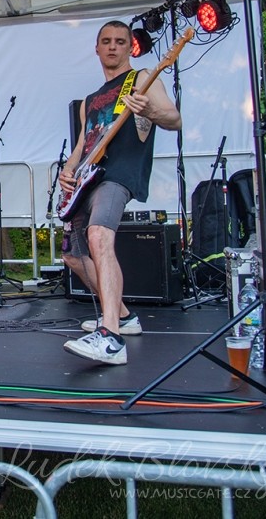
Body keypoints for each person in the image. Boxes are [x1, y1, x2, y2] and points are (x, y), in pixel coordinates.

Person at [59, 20, 181, 365]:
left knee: (99, 235)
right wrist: (68, 171)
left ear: (130, 47)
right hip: (88, 178)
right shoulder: (89, 100)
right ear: (97, 48)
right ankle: (125, 317)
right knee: (73, 256)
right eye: (106, 41)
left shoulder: (142, 79)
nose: (113, 46)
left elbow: (174, 119)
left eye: (120, 41)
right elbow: (83, 144)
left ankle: (110, 337)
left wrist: (149, 110)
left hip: (119, 174)